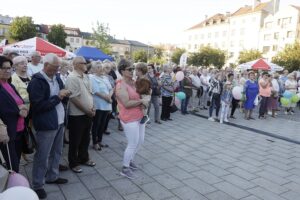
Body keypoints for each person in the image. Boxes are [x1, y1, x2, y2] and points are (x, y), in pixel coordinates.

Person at [27, 53, 70, 199]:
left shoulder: (56, 77)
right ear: (45, 65)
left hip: (59, 120)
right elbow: (38, 106)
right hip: (46, 124)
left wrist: (66, 94)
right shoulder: (36, 82)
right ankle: (37, 185)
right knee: (42, 156)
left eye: (58, 67)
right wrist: (58, 97)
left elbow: (63, 93)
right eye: (55, 67)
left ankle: (52, 176)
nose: (57, 70)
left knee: (57, 151)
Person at [115, 59, 146, 179]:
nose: (132, 71)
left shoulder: (134, 82)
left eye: (133, 69)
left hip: (139, 116)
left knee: (140, 141)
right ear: (122, 71)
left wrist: (145, 98)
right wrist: (141, 101)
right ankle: (125, 168)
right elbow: (127, 103)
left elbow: (142, 93)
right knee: (132, 143)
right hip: (128, 118)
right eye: (130, 69)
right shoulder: (120, 85)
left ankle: (130, 160)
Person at [65, 56, 96, 173]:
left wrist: (93, 107)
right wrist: (87, 110)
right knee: (75, 140)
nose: (86, 65)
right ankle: (73, 163)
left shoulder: (86, 76)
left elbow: (89, 94)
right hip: (77, 115)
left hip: (88, 112)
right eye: (84, 63)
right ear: (76, 64)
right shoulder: (72, 77)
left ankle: (84, 158)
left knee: (86, 138)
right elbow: (73, 98)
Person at [0, 56, 27, 172]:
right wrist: (18, 110)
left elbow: (19, 102)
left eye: (9, 68)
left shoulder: (9, 85)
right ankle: (12, 188)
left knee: (15, 163)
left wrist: (23, 108)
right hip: (6, 133)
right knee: (12, 167)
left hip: (18, 130)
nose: (7, 70)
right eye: (3, 68)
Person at [90, 61, 113, 151]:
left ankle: (100, 140)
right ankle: (95, 142)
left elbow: (111, 88)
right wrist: (107, 98)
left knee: (103, 124)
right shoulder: (92, 78)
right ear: (94, 69)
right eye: (98, 67)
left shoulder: (105, 77)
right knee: (96, 124)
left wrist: (109, 97)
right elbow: (96, 91)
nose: (101, 68)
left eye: (101, 66)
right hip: (98, 105)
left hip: (106, 104)